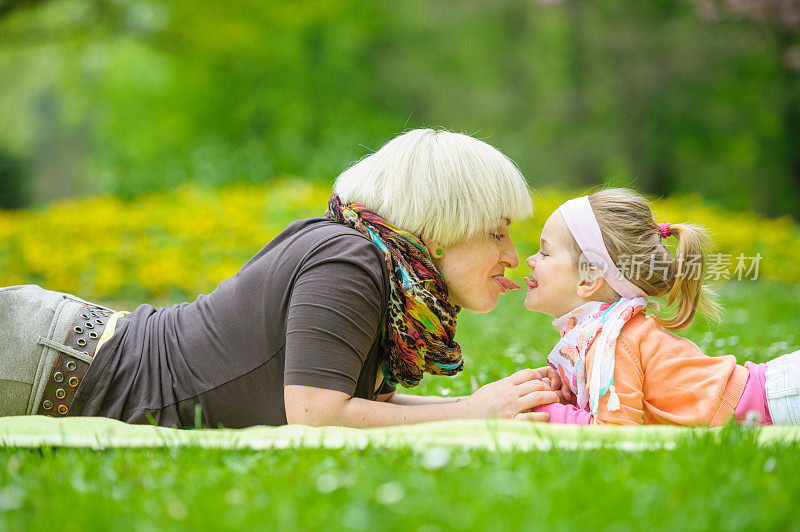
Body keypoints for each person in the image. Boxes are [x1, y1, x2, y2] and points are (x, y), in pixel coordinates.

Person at [0, 129, 560, 429]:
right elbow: (316, 415)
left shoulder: (373, 272)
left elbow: (353, 406)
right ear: (441, 229)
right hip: (46, 360)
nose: (513, 254)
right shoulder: (348, 262)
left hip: (62, 358)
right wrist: (468, 412)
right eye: (496, 232)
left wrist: (485, 403)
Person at [524, 188, 800, 426]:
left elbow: (614, 432)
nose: (530, 260)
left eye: (545, 252)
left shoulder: (615, 342)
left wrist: (542, 411)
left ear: (589, 278)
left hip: (779, 400)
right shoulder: (610, 331)